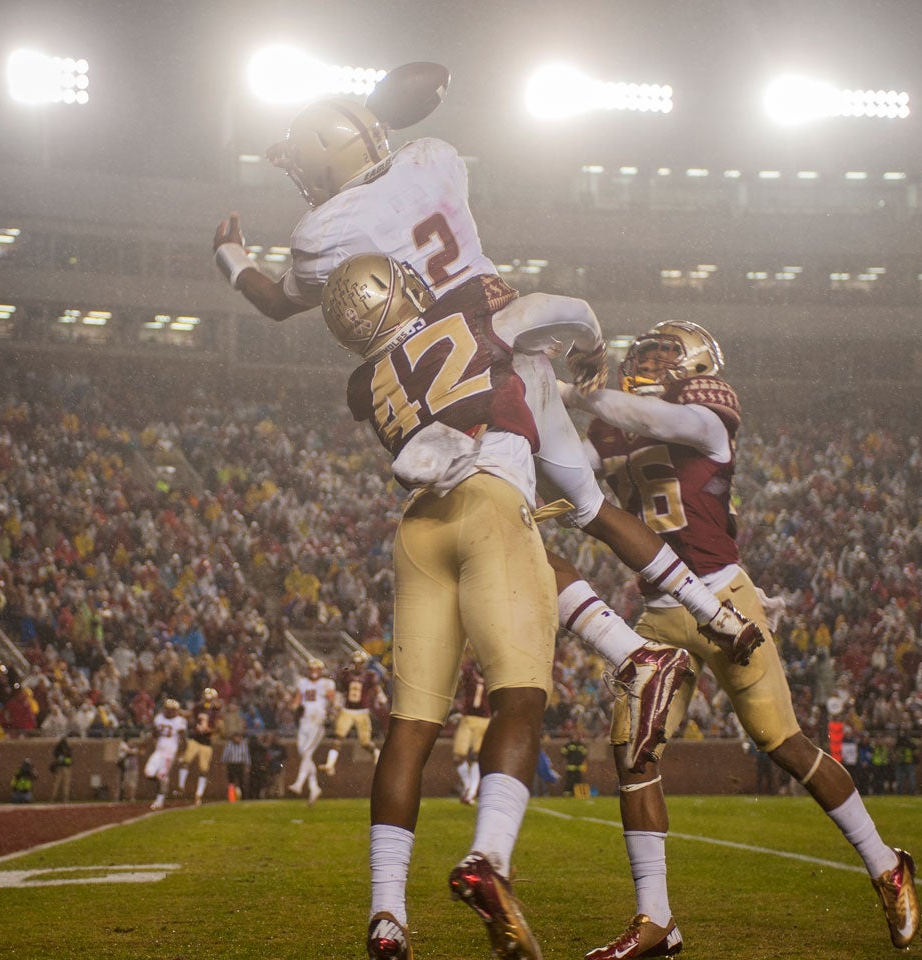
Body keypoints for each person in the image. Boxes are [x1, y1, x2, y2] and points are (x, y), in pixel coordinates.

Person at [212, 95, 762, 766]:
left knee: (513, 533)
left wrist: (232, 257)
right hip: (517, 351)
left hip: (454, 390)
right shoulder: (434, 156)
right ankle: (715, 613)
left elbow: (276, 304)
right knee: (589, 505)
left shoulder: (321, 233)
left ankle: (633, 655)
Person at [559, 321, 919, 954]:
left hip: (724, 599)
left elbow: (653, 419)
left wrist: (571, 390)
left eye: (662, 355)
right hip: (659, 611)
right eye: (640, 355)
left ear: (695, 366)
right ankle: (656, 919)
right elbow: (568, 468)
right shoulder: (611, 427)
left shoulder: (705, 417)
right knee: (633, 754)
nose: (644, 364)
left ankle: (885, 864)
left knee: (783, 743)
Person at [323, 253, 592, 960]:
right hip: (491, 501)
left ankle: (387, 918)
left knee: (408, 730)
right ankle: (489, 859)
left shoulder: (367, 381)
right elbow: (557, 310)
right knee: (519, 700)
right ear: (400, 289)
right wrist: (589, 343)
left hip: (418, 529)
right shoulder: (462, 316)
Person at [323, 650, 385, 776]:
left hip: (362, 711)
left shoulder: (370, 676)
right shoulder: (346, 675)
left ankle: (375, 753)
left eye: (360, 663)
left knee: (365, 743)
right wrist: (336, 704)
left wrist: (381, 697)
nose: (358, 666)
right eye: (356, 663)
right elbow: (341, 691)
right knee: (338, 738)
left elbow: (376, 688)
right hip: (347, 710)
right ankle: (330, 765)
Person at [287, 658, 336, 805]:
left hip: (318, 722)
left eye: (316, 669)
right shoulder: (302, 683)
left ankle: (299, 783)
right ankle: (314, 788)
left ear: (321, 670)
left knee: (307, 753)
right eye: (311, 669)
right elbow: (296, 701)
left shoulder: (327, 683)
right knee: (305, 755)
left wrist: (331, 706)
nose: (314, 672)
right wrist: (292, 706)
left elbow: (333, 701)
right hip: (304, 722)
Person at [452, 656, 492, 805]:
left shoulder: (493, 678)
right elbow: (463, 668)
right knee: (458, 757)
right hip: (468, 719)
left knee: (476, 757)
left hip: (484, 720)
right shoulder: (471, 675)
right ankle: (468, 785)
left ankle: (471, 792)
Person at [178, 687, 222, 806]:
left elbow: (219, 728)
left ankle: (198, 795)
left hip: (206, 742)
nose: (207, 700)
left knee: (203, 769)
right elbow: (189, 715)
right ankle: (181, 786)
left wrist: (210, 730)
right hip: (195, 739)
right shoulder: (198, 707)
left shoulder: (216, 711)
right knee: (186, 761)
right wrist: (180, 712)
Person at [145, 698, 187, 811]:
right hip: (158, 751)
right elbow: (154, 733)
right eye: (168, 709)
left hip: (170, 753)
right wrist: (147, 745)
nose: (169, 712)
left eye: (172, 710)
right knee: (148, 774)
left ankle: (160, 800)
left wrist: (182, 753)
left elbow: (183, 740)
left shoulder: (180, 721)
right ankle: (164, 782)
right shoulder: (158, 718)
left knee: (161, 776)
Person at [50, 736, 73, 802]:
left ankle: (53, 798)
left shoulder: (58, 748)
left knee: (56, 783)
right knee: (66, 783)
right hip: (66, 767)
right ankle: (65, 798)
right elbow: (70, 756)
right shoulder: (68, 747)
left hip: (59, 767)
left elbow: (55, 754)